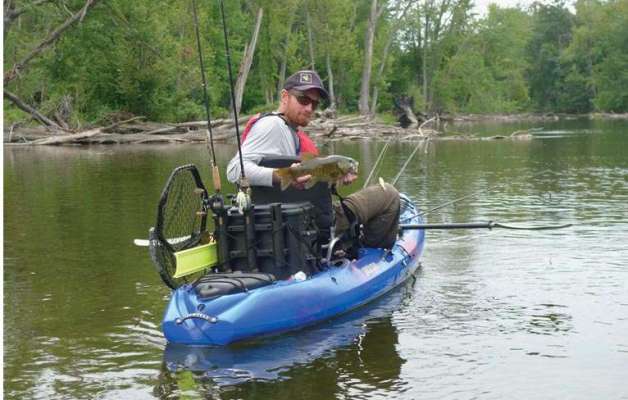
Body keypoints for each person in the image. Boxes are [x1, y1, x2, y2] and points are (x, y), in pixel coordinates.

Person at [227, 70, 400, 250]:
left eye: (315, 103)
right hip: (310, 225)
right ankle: (369, 254)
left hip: (298, 223)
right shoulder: (271, 126)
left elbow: (303, 188)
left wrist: (334, 179)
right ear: (285, 97)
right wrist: (281, 176)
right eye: (303, 100)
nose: (309, 108)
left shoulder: (289, 130)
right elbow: (234, 170)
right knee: (388, 195)